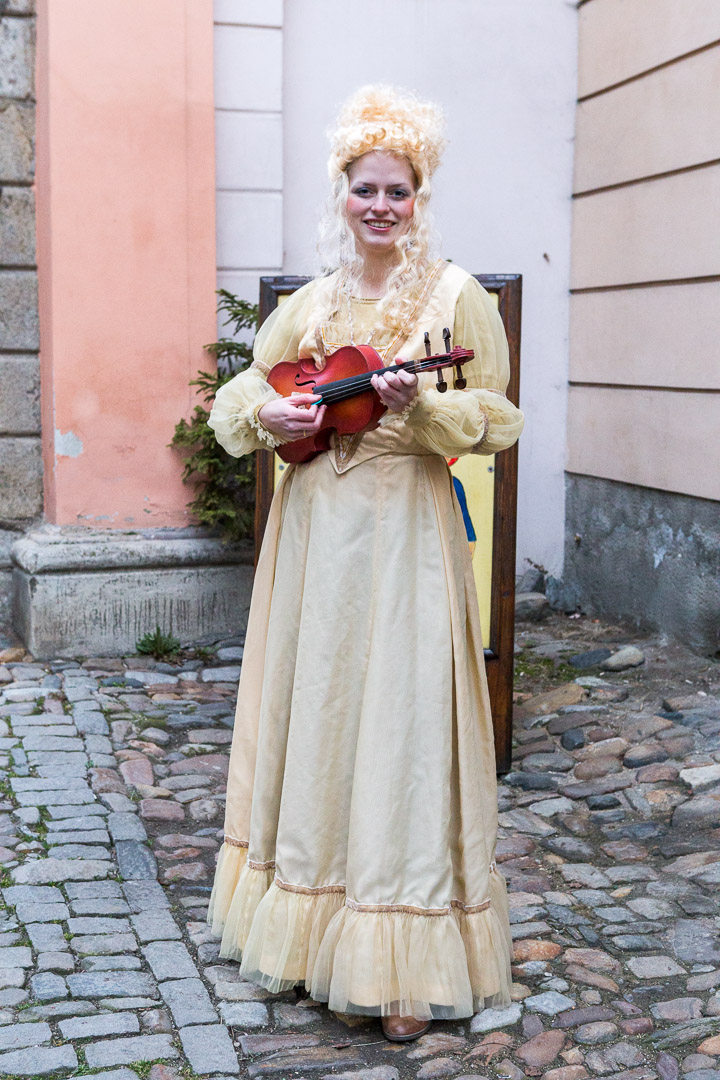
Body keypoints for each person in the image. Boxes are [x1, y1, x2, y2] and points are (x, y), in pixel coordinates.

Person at [206, 85, 524, 1042]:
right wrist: (270, 415)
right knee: (323, 714)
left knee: (402, 723)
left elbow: (499, 419)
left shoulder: (455, 296)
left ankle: (398, 967)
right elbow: (241, 400)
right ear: (341, 195)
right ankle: (311, 939)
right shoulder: (309, 305)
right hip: (313, 540)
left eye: (399, 190)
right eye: (365, 189)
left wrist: (418, 409)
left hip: (404, 533)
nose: (381, 206)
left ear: (420, 199)